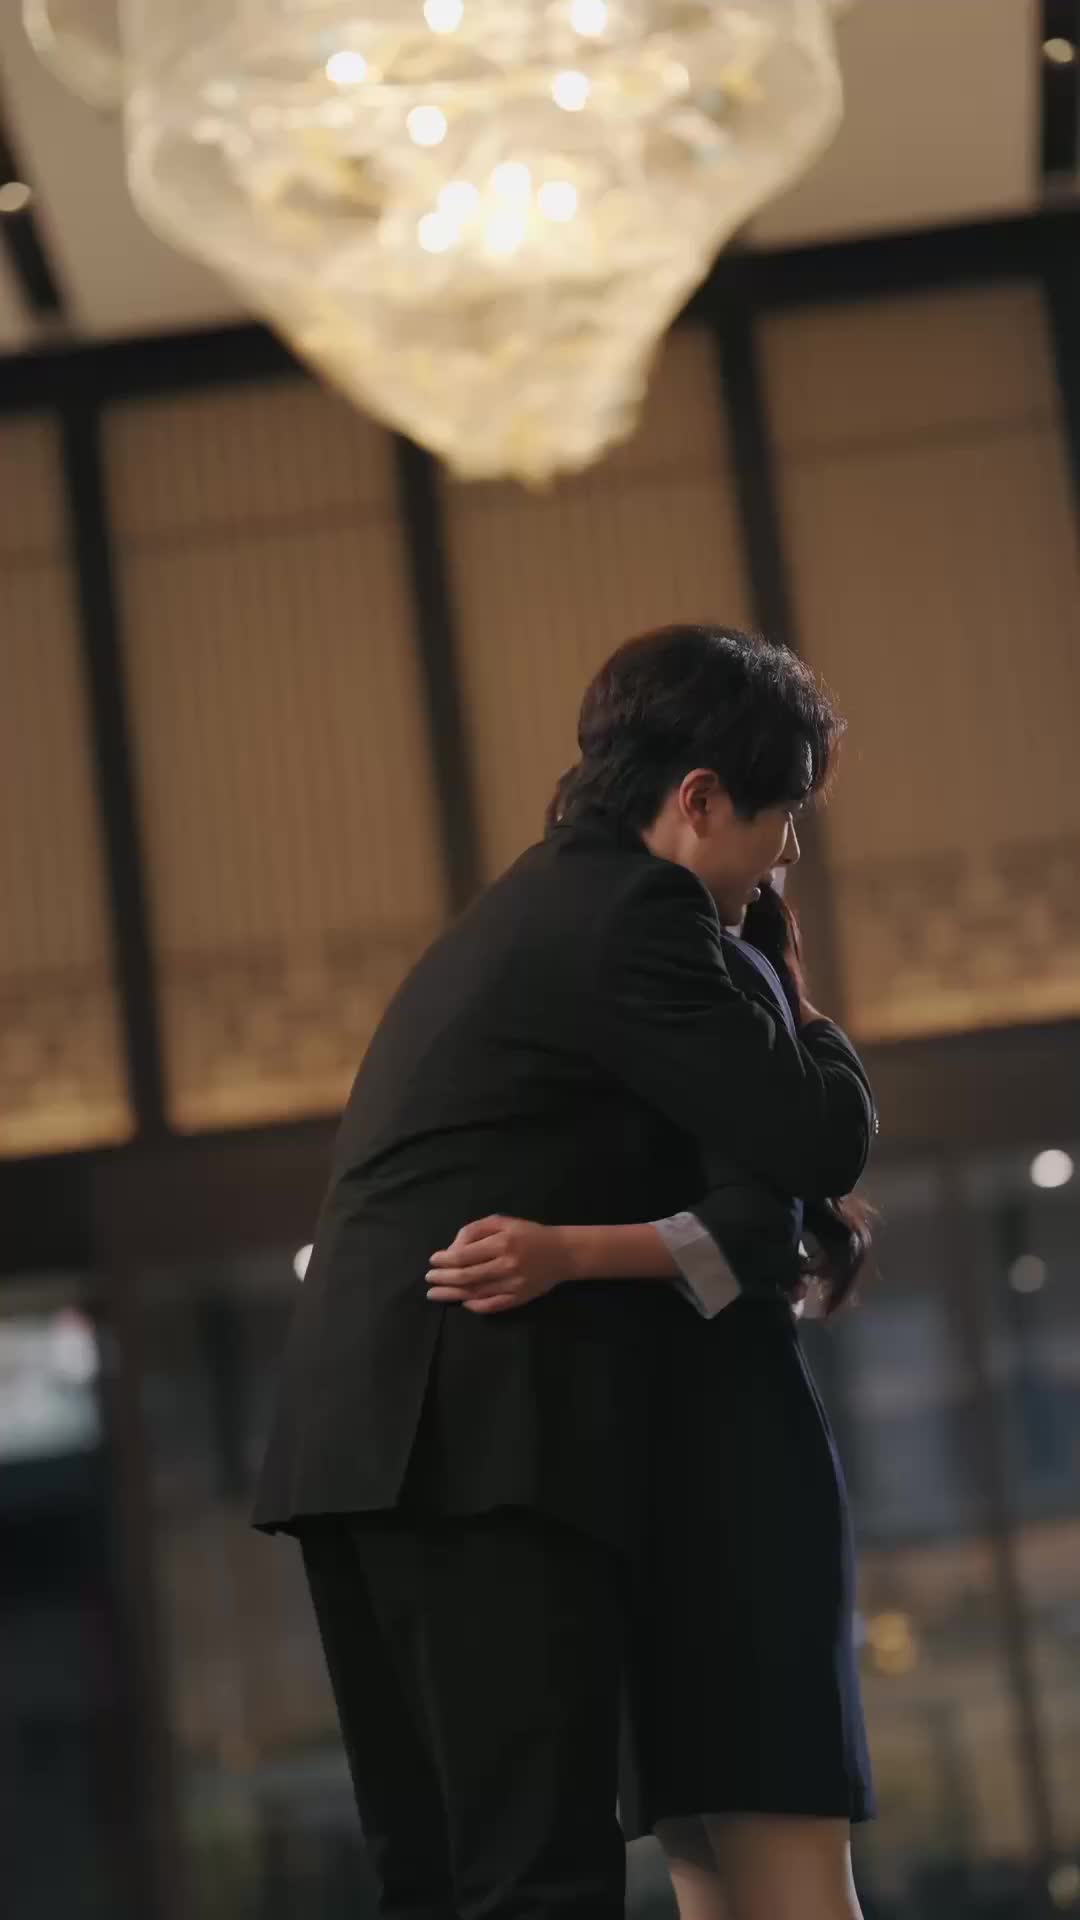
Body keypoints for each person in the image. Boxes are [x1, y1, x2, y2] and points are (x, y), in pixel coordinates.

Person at [253, 624, 876, 1919]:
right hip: (471, 1445)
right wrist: (806, 1007)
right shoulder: (642, 914)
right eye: (784, 817)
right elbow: (817, 1141)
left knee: (437, 1882)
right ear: (700, 799)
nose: (787, 855)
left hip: (351, 1440)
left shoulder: (520, 908)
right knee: (535, 1881)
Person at [430, 881, 875, 1920]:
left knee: (790, 1876)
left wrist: (565, 1253)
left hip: (737, 1471)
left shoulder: (729, 983)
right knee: (708, 1876)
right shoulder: (633, 998)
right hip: (650, 1481)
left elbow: (759, 1232)